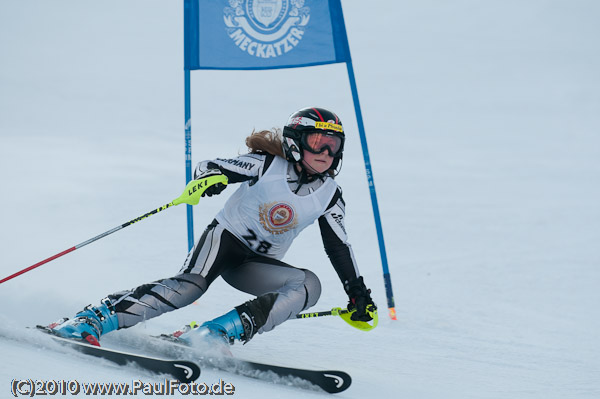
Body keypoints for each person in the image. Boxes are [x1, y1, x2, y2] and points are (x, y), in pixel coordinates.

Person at [47, 107, 377, 347]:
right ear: (295, 142)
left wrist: (357, 293)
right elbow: (212, 166)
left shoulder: (330, 196)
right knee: (190, 288)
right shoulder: (267, 164)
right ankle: (93, 318)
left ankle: (217, 333)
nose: (324, 152)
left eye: (332, 146)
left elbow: (339, 246)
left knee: (309, 286)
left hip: (255, 266)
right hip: (224, 241)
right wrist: (211, 180)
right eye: (317, 141)